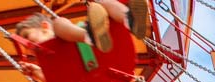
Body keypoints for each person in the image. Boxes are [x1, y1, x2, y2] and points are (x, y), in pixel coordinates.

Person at [15, 0, 149, 55]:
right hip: (87, 66)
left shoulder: (59, 30)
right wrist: (37, 75)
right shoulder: (46, 62)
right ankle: (91, 36)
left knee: (100, 3)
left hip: (100, 47)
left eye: (27, 36)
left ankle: (130, 20)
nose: (26, 44)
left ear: (44, 27)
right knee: (60, 24)